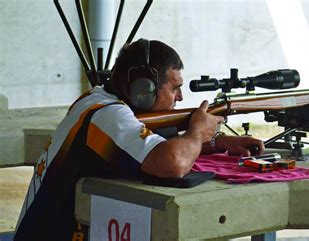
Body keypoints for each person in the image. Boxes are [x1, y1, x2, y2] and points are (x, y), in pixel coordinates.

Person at [14, 39, 265, 241]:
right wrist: (196, 132)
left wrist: (215, 143)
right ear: (144, 89)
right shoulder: (107, 115)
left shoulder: (95, 99)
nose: (179, 96)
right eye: (174, 87)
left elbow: (148, 144)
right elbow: (172, 163)